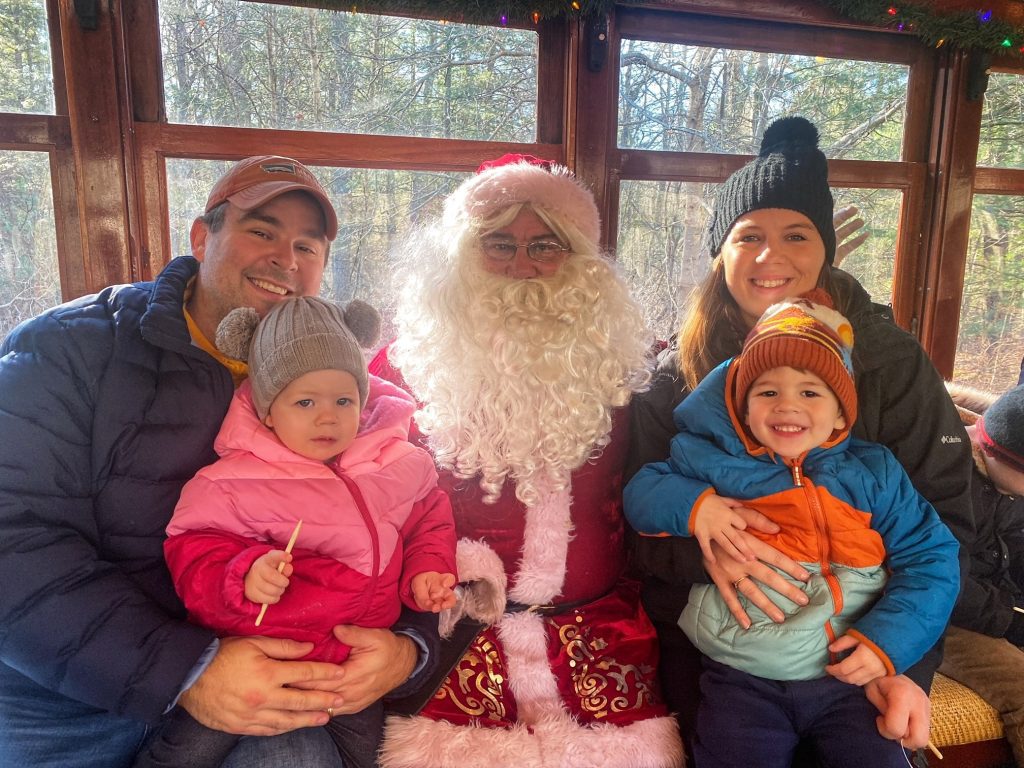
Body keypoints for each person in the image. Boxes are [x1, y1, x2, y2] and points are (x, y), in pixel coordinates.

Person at [0, 156, 440, 768]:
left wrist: (409, 647)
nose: (286, 259)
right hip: (75, 704)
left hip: (274, 676)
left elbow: (403, 510)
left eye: (307, 246)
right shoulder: (67, 348)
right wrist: (187, 669)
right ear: (202, 237)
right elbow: (12, 539)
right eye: (262, 231)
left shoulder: (332, 383)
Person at [626, 116, 975, 761]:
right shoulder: (678, 374)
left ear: (825, 248)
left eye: (796, 234)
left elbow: (943, 533)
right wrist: (703, 552)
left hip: (862, 647)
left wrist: (902, 666)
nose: (770, 256)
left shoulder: (888, 363)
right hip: (724, 652)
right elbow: (636, 522)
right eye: (748, 236)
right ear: (719, 252)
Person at [369, 154, 684, 767]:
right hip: (452, 645)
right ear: (461, 255)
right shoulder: (397, 374)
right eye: (498, 244)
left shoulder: (632, 373)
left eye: (546, 244)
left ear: (581, 260)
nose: (522, 265)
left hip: (605, 643)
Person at [625, 291, 960, 767]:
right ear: (742, 406)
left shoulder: (874, 474)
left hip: (850, 671)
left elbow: (932, 557)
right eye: (767, 391)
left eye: (809, 391)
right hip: (742, 674)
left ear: (841, 412)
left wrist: (888, 643)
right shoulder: (708, 459)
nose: (787, 406)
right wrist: (698, 508)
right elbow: (642, 492)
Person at [132, 295, 458, 768]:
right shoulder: (230, 481)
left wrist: (428, 568)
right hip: (255, 667)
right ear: (267, 410)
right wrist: (243, 573)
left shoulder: (398, 464)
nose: (327, 416)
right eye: (304, 401)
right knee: (184, 753)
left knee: (368, 756)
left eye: (343, 400)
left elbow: (429, 515)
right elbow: (192, 551)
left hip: (348, 673)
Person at [937, 381, 1024, 766]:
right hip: (942, 619)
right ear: (997, 456)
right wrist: (1010, 619)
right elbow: (942, 579)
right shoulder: (944, 482)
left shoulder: (1010, 487)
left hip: (996, 602)